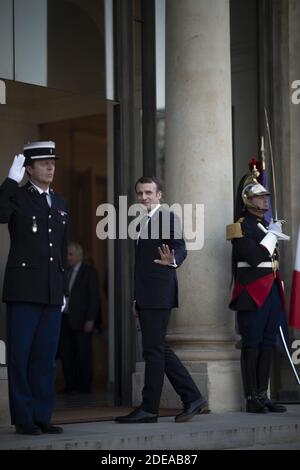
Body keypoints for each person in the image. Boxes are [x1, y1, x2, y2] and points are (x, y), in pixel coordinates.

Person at [116, 176, 207, 424]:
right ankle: (193, 397)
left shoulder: (166, 217)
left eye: (148, 192)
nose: (144, 197)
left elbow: (180, 246)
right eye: (140, 193)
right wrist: (137, 298)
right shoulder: (145, 221)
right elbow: (142, 265)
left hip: (158, 293)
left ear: (159, 195)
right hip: (147, 294)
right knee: (158, 348)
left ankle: (149, 408)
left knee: (153, 350)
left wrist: (173, 259)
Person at [0, 141, 68, 435]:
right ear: (28, 168)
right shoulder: (16, 195)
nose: (50, 167)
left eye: (52, 162)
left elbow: (61, 249)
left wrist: (63, 288)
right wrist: (10, 181)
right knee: (20, 356)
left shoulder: (60, 201)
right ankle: (23, 418)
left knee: (45, 359)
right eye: (43, 163)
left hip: (52, 290)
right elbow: (0, 215)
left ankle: (42, 415)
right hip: (24, 289)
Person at [227, 163, 288, 413]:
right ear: (247, 199)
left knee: (267, 342)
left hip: (271, 289)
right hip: (252, 290)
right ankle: (251, 397)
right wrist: (272, 236)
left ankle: (263, 394)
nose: (265, 201)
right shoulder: (239, 226)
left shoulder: (264, 225)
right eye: (260, 197)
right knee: (251, 343)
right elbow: (252, 257)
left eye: (265, 197)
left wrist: (271, 232)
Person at [59, 242, 101, 394]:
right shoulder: (65, 271)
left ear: (79, 255)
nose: (67, 257)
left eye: (70, 254)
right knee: (66, 354)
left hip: (83, 320)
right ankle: (70, 385)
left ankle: (84, 386)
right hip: (65, 318)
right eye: (67, 254)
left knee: (83, 354)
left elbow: (94, 298)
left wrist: (91, 319)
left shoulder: (89, 272)